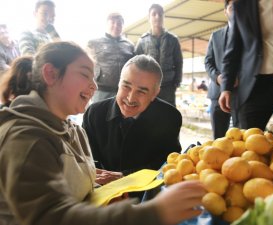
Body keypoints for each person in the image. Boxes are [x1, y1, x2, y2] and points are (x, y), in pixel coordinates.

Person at [0, 41, 206, 225]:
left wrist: (108, 197)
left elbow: (83, 188)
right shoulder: (26, 138)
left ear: (155, 94)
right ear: (51, 74)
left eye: (94, 76)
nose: (94, 85)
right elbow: (50, 217)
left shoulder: (72, 131)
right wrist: (154, 212)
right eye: (84, 74)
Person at [82, 55, 182, 184]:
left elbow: (167, 162)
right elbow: (86, 159)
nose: (130, 98)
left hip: (146, 191)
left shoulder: (169, 117)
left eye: (141, 91)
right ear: (119, 83)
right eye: (126, 86)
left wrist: (125, 177)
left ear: (155, 94)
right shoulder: (95, 113)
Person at [218, 0, 273, 144]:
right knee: (247, 146)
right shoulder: (241, 6)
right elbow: (233, 51)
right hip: (256, 87)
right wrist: (226, 87)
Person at [135, 4, 183, 106]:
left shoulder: (173, 39)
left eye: (160, 14)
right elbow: (136, 64)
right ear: (149, 18)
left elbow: (179, 61)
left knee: (168, 115)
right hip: (148, 86)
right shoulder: (142, 41)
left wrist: (176, 82)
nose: (157, 17)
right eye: (154, 14)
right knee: (148, 114)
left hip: (168, 86)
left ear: (163, 17)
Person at [204, 0, 238, 139]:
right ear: (225, 12)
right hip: (217, 94)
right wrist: (217, 77)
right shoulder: (216, 35)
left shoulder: (250, 35)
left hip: (242, 93)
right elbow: (208, 61)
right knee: (218, 138)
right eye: (231, 8)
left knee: (242, 139)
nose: (235, 11)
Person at [87, 12, 135, 103]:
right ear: (107, 24)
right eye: (113, 22)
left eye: (119, 23)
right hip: (100, 91)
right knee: (98, 115)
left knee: (122, 115)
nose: (116, 26)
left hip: (123, 90)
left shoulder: (130, 45)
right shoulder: (93, 43)